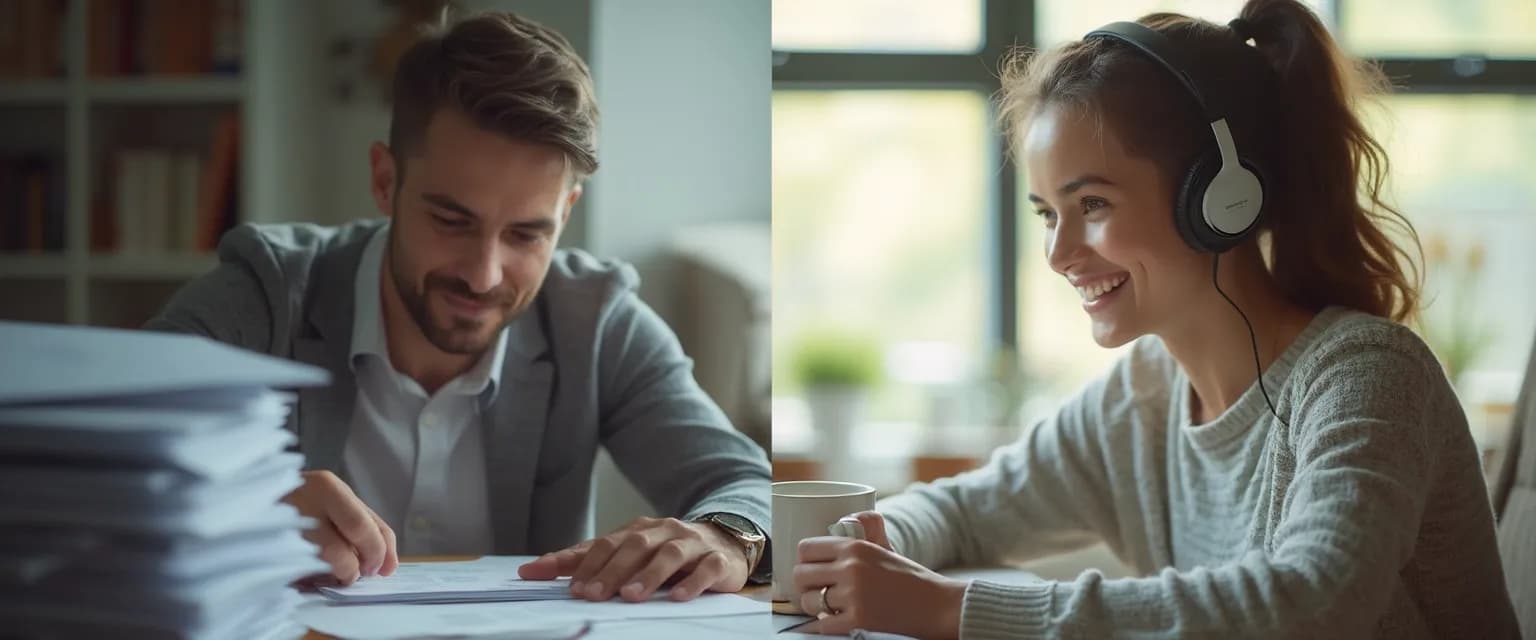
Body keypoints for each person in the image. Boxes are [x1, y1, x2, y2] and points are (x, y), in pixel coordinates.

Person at [791, 0, 1519, 637]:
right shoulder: (1142, 395)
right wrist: (861, 542)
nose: (1058, 252)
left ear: (1218, 199)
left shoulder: (1366, 378)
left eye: (1093, 206)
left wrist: (954, 610)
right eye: (1048, 213)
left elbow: (1313, 604)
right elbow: (968, 512)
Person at [145, 12, 771, 603]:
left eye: (527, 233)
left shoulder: (598, 320)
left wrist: (726, 535)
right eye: (452, 219)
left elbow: (749, 485)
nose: (484, 273)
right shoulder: (266, 292)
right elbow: (86, 453)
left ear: (566, 214)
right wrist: (248, 506)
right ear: (386, 181)